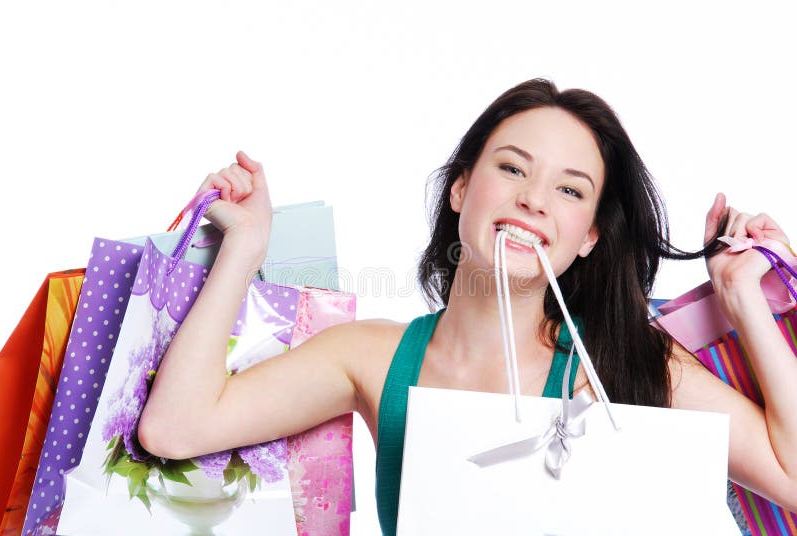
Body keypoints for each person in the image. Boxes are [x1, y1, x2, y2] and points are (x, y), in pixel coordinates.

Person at [138, 79, 797, 534]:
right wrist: (243, 249)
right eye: (512, 169)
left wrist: (744, 301)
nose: (535, 198)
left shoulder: (623, 361)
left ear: (590, 235)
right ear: (460, 188)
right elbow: (176, 429)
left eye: (570, 190)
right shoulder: (370, 358)